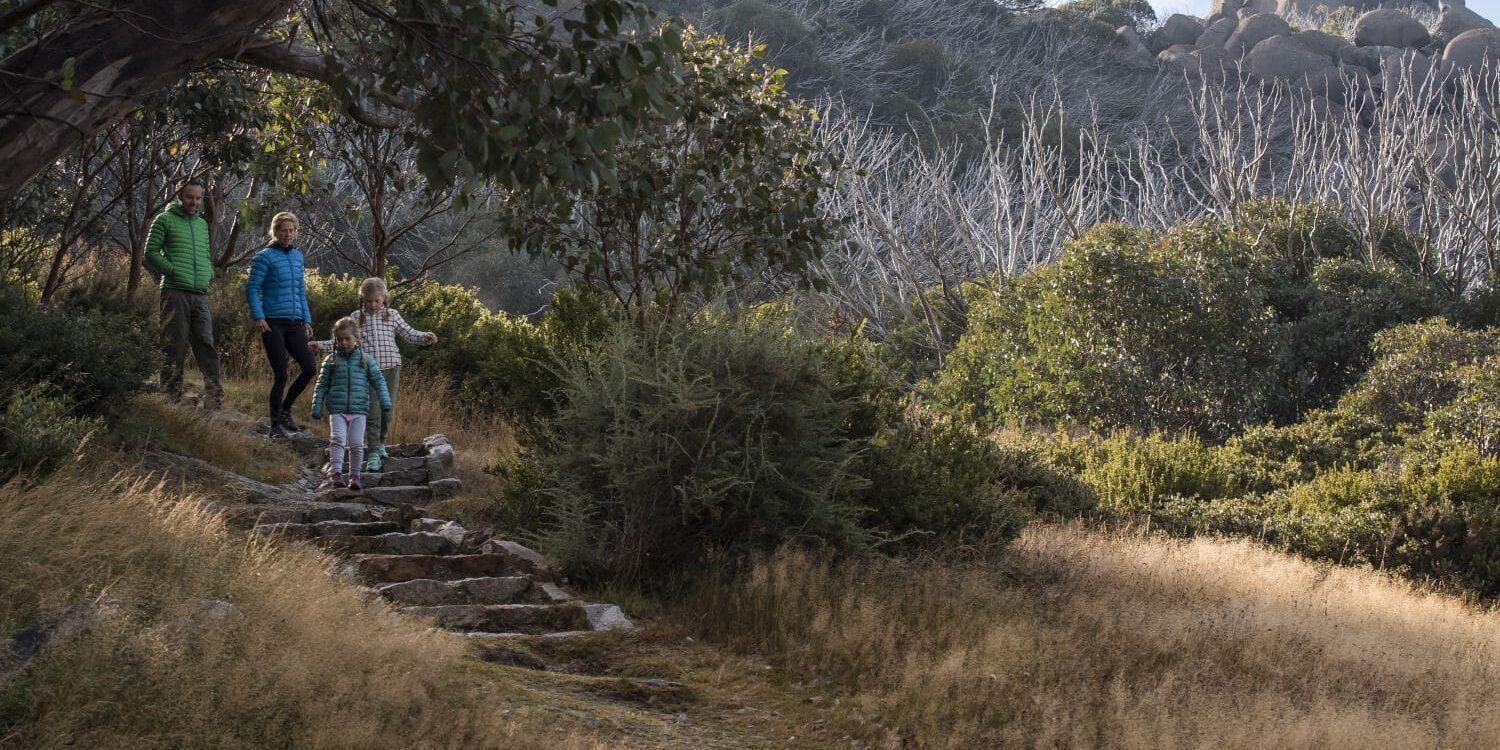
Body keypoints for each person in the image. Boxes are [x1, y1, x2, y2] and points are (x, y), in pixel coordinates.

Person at [310, 277, 436, 471]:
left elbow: (410, 334)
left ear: (384, 299)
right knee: (373, 412)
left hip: (391, 369)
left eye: (377, 300)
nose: (373, 304)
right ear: (362, 299)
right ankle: (374, 452)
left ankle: (382, 442)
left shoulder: (392, 315)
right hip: (367, 370)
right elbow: (341, 340)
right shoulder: (356, 317)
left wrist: (425, 337)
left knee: (387, 411)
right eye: (369, 301)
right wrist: (318, 345)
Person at [143, 179, 222, 408]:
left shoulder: (201, 224)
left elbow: (205, 255)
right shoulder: (164, 220)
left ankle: (214, 396)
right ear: (179, 196)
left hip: (200, 293)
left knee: (206, 343)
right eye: (190, 197)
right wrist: (172, 271)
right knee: (173, 345)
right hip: (174, 291)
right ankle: (170, 396)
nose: (194, 202)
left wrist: (208, 273)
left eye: (198, 198)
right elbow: (151, 252)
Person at [245, 211, 315, 439]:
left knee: (309, 368)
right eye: (283, 230)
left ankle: (285, 410)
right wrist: (259, 317)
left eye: (291, 230)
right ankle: (275, 426)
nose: (287, 234)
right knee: (281, 374)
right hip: (272, 322)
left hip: (295, 322)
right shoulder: (263, 257)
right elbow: (253, 289)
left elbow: (300, 291)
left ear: (295, 232)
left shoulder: (297, 257)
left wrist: (307, 319)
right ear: (274, 231)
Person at [309, 317, 392, 491]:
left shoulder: (366, 360)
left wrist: (385, 401)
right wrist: (317, 405)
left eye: (348, 339)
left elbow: (378, 380)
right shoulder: (331, 360)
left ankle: (355, 476)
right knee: (338, 439)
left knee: (356, 444)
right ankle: (337, 474)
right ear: (336, 340)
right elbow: (322, 384)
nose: (344, 342)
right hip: (337, 409)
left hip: (359, 410)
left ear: (356, 338)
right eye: (340, 339)